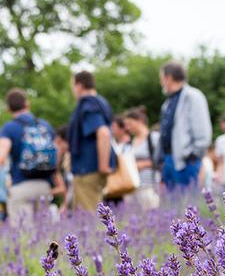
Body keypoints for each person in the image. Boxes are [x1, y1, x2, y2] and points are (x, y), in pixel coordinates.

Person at [0, 89, 57, 223]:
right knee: (44, 235)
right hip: (44, 187)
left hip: (21, 187)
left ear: (8, 108)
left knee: (24, 237)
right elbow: (56, 154)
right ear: (27, 103)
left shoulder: (9, 128)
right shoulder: (45, 126)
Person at [158, 61, 212, 190]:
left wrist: (192, 155)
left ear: (168, 78)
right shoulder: (168, 102)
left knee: (188, 206)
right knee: (171, 207)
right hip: (169, 161)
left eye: (161, 78)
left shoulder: (193, 96)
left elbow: (203, 131)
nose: (161, 82)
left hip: (186, 162)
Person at [68, 71, 114, 212]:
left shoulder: (88, 105)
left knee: (88, 219)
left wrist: (103, 166)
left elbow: (104, 133)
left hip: (87, 171)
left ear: (79, 85)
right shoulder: (100, 102)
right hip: (89, 170)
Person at [122, 107, 160, 210]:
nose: (128, 128)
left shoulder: (154, 138)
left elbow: (161, 161)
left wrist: (142, 165)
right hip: (132, 187)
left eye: (130, 124)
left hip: (149, 185)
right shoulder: (130, 142)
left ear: (140, 121)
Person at [54, 125, 74, 214]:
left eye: (58, 142)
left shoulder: (73, 158)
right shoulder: (66, 158)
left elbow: (72, 187)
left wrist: (65, 205)